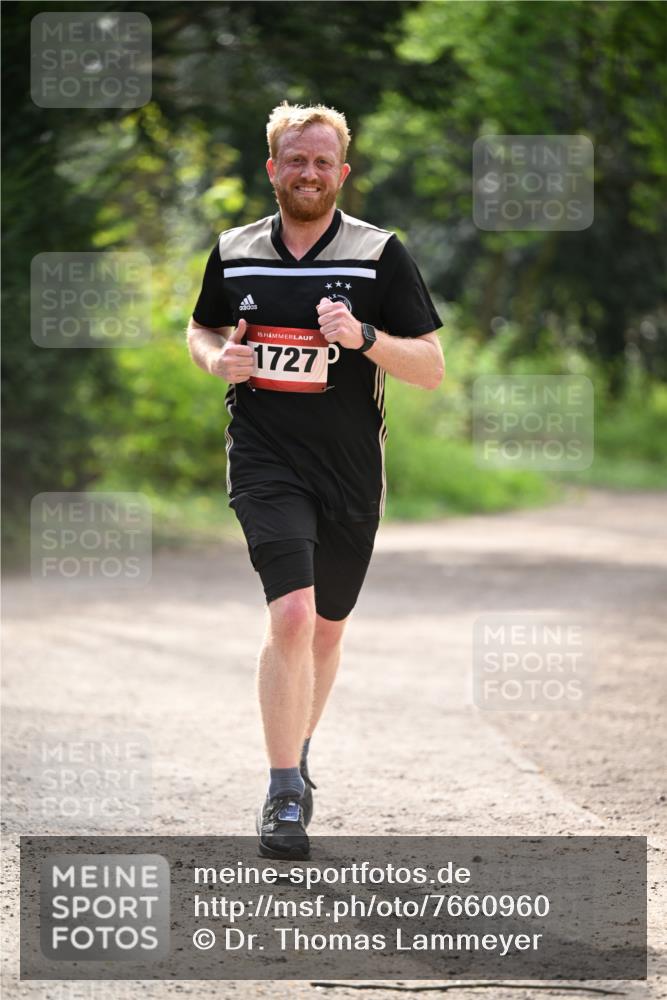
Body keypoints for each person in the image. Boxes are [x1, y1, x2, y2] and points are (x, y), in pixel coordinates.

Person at [187, 102, 444, 860]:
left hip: (351, 469)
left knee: (327, 625)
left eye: (322, 161)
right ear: (272, 167)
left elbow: (430, 367)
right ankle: (283, 793)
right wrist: (217, 360)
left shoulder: (377, 253)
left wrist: (363, 337)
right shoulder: (234, 250)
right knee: (293, 616)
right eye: (295, 160)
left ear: (343, 171)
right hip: (264, 458)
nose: (308, 172)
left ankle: (297, 753)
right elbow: (202, 327)